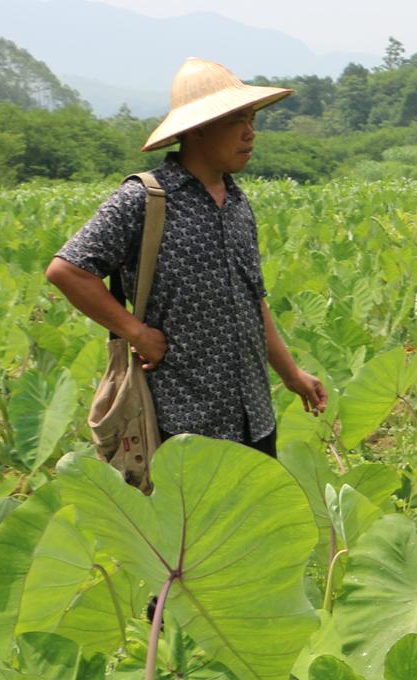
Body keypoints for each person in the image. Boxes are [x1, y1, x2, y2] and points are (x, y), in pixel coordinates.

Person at [46, 58, 327, 458]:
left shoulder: (238, 203)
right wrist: (137, 333)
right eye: (236, 121)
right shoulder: (144, 199)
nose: (250, 133)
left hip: (254, 417)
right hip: (183, 424)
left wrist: (291, 374)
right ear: (196, 128)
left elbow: (252, 300)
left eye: (252, 120)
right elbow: (68, 270)